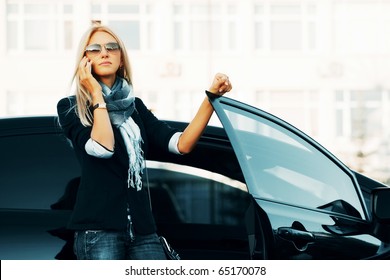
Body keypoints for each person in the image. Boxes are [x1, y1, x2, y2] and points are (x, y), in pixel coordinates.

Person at [57, 24, 232, 260]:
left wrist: (211, 99)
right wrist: (97, 94)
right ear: (84, 60)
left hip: (143, 231)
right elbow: (102, 148)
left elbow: (181, 144)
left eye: (111, 47)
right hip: (99, 231)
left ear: (121, 60)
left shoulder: (135, 108)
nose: (105, 53)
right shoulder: (71, 107)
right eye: (95, 49)